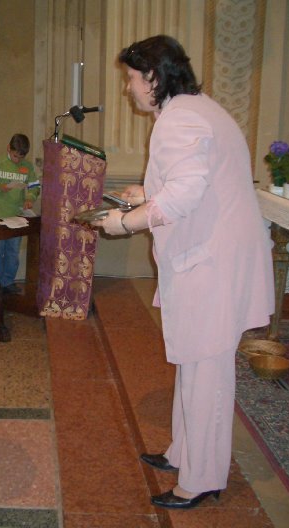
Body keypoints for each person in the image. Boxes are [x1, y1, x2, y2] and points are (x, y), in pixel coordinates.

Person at [91, 35, 274, 510]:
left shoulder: (181, 118)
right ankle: (182, 454)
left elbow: (185, 195)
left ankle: (202, 478)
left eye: (133, 78)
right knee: (192, 367)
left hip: (212, 267)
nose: (129, 88)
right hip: (214, 259)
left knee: (206, 375)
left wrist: (123, 223)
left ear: (154, 77)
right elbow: (194, 180)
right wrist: (145, 192)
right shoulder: (196, 108)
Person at [0, 133, 40, 294]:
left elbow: (35, 186)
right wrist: (2, 187)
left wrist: (30, 198)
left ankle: (7, 282)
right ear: (9, 148)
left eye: (21, 157)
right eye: (15, 156)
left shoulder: (27, 167)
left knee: (13, 252)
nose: (17, 160)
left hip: (16, 216)